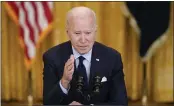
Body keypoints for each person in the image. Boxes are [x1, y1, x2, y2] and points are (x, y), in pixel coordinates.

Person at [43, 6, 128, 105]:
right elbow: (48, 103)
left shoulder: (112, 58)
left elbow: (121, 103)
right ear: (68, 32)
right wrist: (64, 81)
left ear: (95, 31)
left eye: (88, 33)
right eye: (77, 33)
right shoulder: (52, 57)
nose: (83, 40)